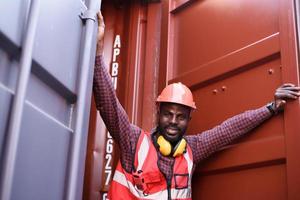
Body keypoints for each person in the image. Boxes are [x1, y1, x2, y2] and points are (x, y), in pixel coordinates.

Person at [93, 13, 300, 200]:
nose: (173, 121)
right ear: (159, 113)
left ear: (188, 120)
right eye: (168, 114)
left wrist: (271, 107)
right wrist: (97, 56)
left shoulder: (192, 149)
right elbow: (108, 105)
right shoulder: (133, 142)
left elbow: (229, 129)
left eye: (180, 116)